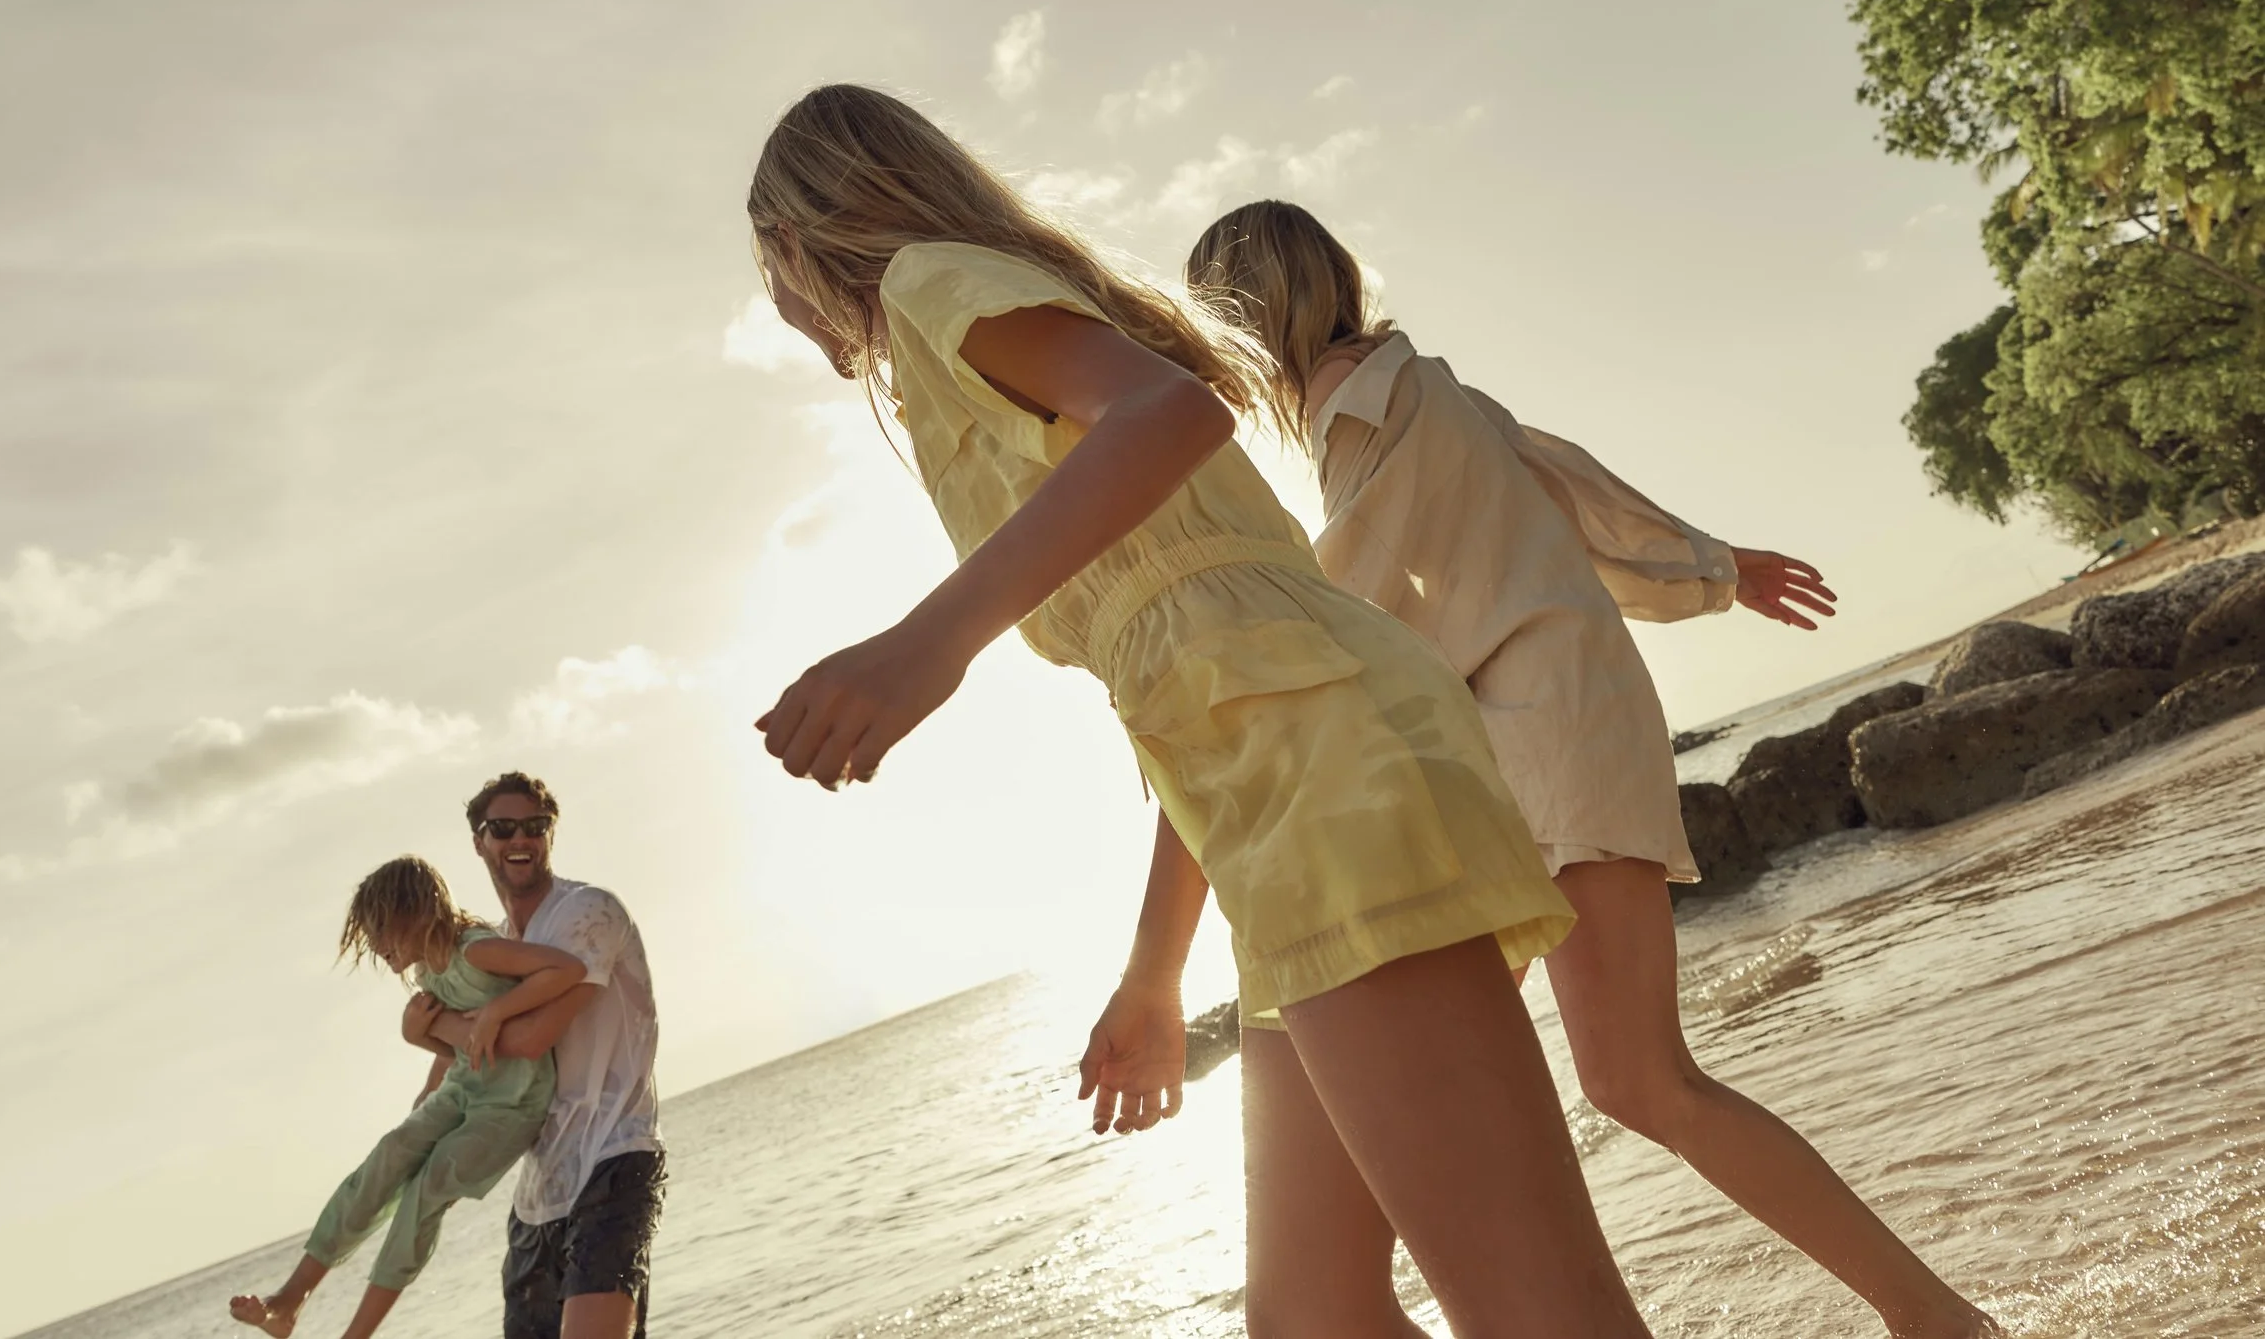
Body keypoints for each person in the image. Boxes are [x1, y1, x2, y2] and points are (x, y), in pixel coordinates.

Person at [745, 82, 1653, 1339]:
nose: (778, 303)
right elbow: (1209, 686)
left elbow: (1175, 413)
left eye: (768, 271)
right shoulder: (977, 345)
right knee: (1316, 1317)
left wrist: (929, 641)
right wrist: (1156, 974)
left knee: (1534, 1309)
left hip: (1334, 785)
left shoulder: (929, 283)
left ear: (794, 239)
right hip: (1295, 791)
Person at [1180, 198, 1999, 1339]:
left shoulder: (1355, 401)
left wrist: (1225, 672)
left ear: (1242, 314)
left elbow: (1352, 596)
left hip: (1541, 739)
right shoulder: (1419, 383)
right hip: (1551, 728)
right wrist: (1715, 565)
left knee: (1623, 1082)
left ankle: (1936, 1321)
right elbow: (1561, 485)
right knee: (1538, 1086)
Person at [229, 857, 585, 1339]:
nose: (376, 947)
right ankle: (289, 1301)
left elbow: (566, 968)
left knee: (427, 1190)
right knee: (389, 1155)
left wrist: (497, 1010)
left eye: (381, 930)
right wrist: (427, 1079)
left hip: (513, 1103)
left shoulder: (477, 950)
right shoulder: (427, 975)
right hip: (463, 1089)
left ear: (416, 912)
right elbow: (462, 1047)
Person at [407, 772, 666, 1339]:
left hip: (613, 1158)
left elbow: (529, 1039)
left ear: (551, 833)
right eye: (502, 828)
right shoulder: (493, 948)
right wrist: (414, 1158)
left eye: (535, 826)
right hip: (537, 1196)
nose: (519, 838)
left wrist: (435, 1025)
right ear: (479, 842)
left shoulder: (588, 912)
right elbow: (457, 1072)